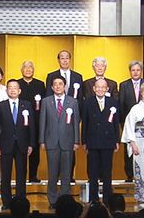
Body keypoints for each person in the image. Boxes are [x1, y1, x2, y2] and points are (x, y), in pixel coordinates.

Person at [0, 79, 35, 210]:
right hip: (5, 145)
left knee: (21, 174)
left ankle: (20, 200)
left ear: (20, 90)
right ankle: (6, 202)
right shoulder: (1, 106)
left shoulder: (26, 105)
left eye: (15, 87)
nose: (12, 90)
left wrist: (31, 144)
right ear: (6, 91)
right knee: (5, 175)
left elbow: (32, 126)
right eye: (10, 87)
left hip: (22, 144)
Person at [40, 75, 80, 209]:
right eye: (55, 84)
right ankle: (52, 201)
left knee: (66, 173)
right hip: (51, 142)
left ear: (65, 86)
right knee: (52, 174)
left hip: (67, 142)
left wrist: (76, 141)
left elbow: (75, 123)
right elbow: (42, 122)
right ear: (51, 87)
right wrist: (41, 140)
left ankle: (65, 200)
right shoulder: (46, 102)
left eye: (60, 84)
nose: (57, 86)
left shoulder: (72, 102)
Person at [45, 50, 83, 182]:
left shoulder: (78, 76)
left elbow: (81, 99)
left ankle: (69, 178)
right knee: (53, 169)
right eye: (62, 58)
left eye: (67, 58)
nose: (65, 60)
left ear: (70, 60)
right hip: (54, 125)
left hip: (69, 125)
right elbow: (47, 101)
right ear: (58, 60)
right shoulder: (51, 76)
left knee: (69, 161)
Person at [82, 79, 120, 204]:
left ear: (107, 89)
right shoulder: (87, 103)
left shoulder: (113, 102)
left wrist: (117, 141)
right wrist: (84, 142)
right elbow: (85, 123)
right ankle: (94, 200)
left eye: (103, 87)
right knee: (93, 173)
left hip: (108, 142)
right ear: (93, 89)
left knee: (107, 173)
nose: (100, 89)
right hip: (92, 142)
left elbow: (116, 123)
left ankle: (107, 199)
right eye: (97, 87)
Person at [118, 60, 144, 182]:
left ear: (141, 71)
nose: (135, 72)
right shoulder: (124, 85)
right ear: (130, 71)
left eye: (138, 70)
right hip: (128, 123)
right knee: (128, 149)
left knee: (143, 149)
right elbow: (121, 105)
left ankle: (143, 174)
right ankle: (129, 175)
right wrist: (124, 124)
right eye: (133, 70)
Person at [18, 61, 46, 183]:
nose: (28, 70)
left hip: (36, 121)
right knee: (21, 150)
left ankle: (33, 175)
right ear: (22, 70)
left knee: (35, 150)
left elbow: (44, 103)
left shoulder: (40, 84)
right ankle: (22, 175)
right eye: (25, 67)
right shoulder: (17, 84)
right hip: (19, 123)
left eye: (30, 68)